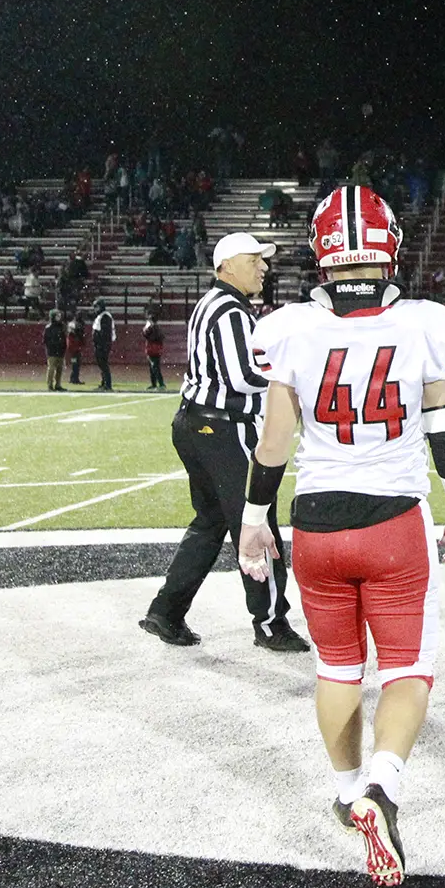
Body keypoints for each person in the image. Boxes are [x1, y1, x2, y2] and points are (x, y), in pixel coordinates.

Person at [236, 185, 445, 886]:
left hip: (316, 519)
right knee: (406, 668)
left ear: (323, 253)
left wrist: (254, 519)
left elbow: (275, 443)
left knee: (338, 666)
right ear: (390, 246)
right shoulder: (429, 322)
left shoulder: (287, 328)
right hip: (393, 518)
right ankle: (383, 785)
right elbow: (444, 432)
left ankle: (346, 792)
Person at [141, 232, 309, 653]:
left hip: (195, 424)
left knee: (210, 522)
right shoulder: (231, 311)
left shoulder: (211, 304)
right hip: (223, 428)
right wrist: (293, 369)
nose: (263, 268)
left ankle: (166, 611)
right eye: (255, 260)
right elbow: (244, 376)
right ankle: (271, 624)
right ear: (229, 264)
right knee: (257, 525)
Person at [91, 298, 116, 391]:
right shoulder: (101, 316)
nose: (95, 309)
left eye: (96, 307)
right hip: (100, 344)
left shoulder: (105, 316)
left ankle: (107, 384)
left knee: (103, 364)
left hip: (103, 345)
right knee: (102, 364)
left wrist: (100, 342)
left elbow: (105, 332)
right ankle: (104, 383)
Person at [143, 308, 167, 390]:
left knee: (155, 368)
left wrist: (147, 328)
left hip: (153, 350)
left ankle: (161, 384)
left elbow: (146, 335)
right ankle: (154, 384)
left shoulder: (153, 328)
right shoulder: (156, 328)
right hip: (154, 350)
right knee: (153, 368)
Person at [43, 309, 66, 391]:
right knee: (51, 369)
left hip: (60, 351)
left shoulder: (62, 326)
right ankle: (50, 385)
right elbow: (45, 340)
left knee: (60, 369)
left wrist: (63, 348)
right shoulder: (49, 328)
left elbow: (64, 339)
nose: (59, 317)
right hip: (52, 352)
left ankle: (58, 384)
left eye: (59, 316)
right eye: (57, 316)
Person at [66, 312, 86, 385]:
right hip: (75, 348)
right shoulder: (76, 325)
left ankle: (73, 378)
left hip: (72, 347)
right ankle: (74, 379)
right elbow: (78, 335)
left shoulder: (72, 324)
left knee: (75, 363)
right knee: (76, 363)